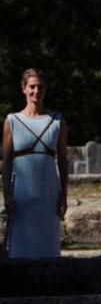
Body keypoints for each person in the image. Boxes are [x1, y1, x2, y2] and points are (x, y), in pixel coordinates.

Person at [2, 68, 68, 258]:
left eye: (40, 87)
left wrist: (64, 195)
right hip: (22, 194)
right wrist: (6, 195)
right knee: (21, 245)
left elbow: (63, 161)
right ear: (24, 89)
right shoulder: (12, 121)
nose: (36, 91)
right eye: (32, 87)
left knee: (48, 243)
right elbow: (6, 163)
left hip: (48, 191)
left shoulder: (57, 121)